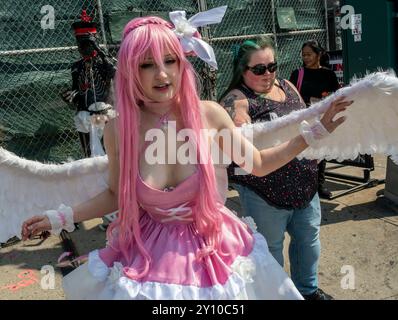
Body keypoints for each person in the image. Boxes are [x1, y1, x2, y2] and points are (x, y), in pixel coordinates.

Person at [21, 9, 350, 300]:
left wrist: (313, 133)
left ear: (182, 61)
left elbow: (259, 164)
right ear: (130, 72)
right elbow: (114, 194)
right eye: (147, 64)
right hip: (148, 256)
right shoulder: (118, 129)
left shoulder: (209, 115)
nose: (162, 74)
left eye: (170, 60)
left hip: (215, 249)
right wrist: (58, 217)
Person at [219, 36, 344, 300]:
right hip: (265, 193)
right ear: (242, 70)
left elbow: (305, 119)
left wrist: (317, 149)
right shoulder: (236, 102)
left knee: (308, 243)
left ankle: (307, 291)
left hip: (305, 184)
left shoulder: (286, 85)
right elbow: (247, 157)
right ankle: (277, 296)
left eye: (272, 66)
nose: (269, 74)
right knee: (270, 251)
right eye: (260, 69)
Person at [61, 9, 117, 230]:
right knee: (89, 161)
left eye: (86, 42)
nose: (82, 47)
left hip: (105, 116)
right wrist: (72, 97)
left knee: (109, 161)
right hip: (85, 117)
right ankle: (100, 210)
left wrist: (100, 53)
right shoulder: (76, 67)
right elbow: (78, 90)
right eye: (79, 43)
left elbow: (115, 75)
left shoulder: (105, 63)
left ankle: (114, 212)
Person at [289, 40, 340, 199]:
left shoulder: (328, 74)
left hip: (321, 119)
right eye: (303, 55)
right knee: (300, 151)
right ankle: (300, 183)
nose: (306, 57)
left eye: (309, 54)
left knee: (320, 151)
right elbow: (290, 96)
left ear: (319, 55)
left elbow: (336, 95)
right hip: (302, 118)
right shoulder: (298, 74)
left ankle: (319, 185)